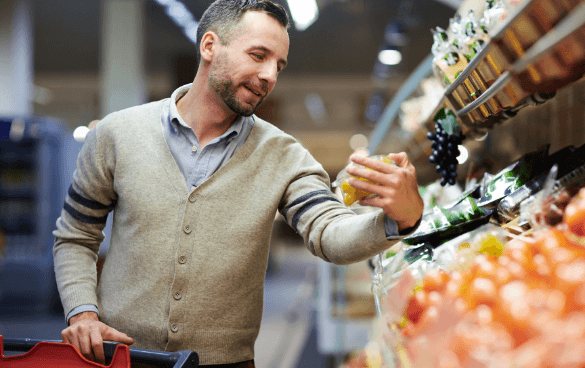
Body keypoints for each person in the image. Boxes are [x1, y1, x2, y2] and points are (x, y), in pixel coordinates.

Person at [53, 0, 424, 367]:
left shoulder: (284, 155)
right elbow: (76, 235)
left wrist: (399, 221)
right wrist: (82, 313)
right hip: (120, 359)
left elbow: (328, 231)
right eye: (258, 55)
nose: (270, 76)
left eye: (278, 65)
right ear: (210, 46)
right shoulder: (118, 134)